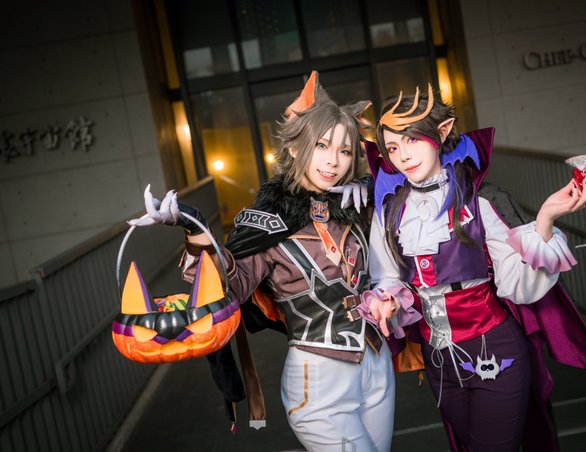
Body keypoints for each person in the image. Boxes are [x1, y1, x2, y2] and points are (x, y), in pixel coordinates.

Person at [132, 72, 405, 452]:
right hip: (319, 376)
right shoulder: (266, 223)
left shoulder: (355, 207)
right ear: (294, 148)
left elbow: (412, 218)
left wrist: (376, 186)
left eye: (345, 151)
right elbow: (226, 287)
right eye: (321, 146)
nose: (334, 161)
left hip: (376, 365)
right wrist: (196, 230)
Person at [363, 84, 586, 452]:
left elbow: (517, 283)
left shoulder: (479, 199)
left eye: (412, 140)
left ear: (442, 132)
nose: (403, 155)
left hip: (495, 352)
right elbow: (387, 275)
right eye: (392, 148)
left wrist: (546, 218)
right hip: (439, 363)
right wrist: (387, 299)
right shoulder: (389, 210)